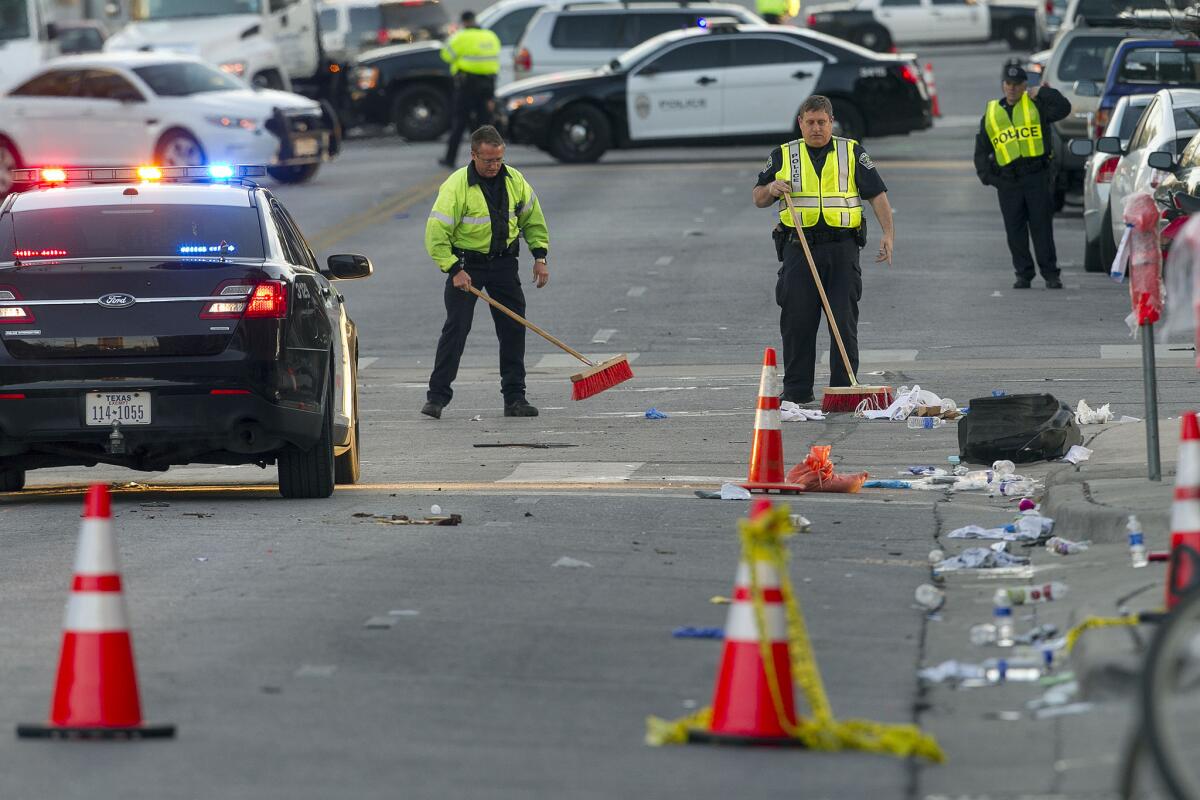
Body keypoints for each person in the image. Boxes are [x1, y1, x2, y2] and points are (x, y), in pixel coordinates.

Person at [752, 94, 894, 405]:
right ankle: (797, 390)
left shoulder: (851, 151)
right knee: (797, 321)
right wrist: (772, 189)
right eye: (810, 122)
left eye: (822, 122)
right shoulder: (783, 155)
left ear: (831, 123)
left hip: (842, 249)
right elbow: (758, 197)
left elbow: (877, 194)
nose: (816, 128)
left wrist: (888, 234)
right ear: (800, 123)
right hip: (798, 247)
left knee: (843, 321)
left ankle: (843, 389)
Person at [423, 125, 550, 419]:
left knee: (513, 328)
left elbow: (532, 219)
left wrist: (540, 256)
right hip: (467, 265)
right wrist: (454, 269)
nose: (494, 166)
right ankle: (437, 397)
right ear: (473, 156)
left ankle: (515, 398)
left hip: (505, 263)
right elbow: (436, 233)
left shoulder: (515, 180)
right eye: (488, 160)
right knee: (456, 329)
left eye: (498, 160)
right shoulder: (456, 186)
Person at [974, 62, 1071, 289]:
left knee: (1042, 228)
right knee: (1014, 230)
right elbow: (981, 150)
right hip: (1008, 181)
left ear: (1025, 85)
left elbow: (1064, 108)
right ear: (1003, 85)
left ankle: (1050, 274)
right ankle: (1023, 273)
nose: (1012, 89)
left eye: (1017, 84)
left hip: (1036, 176)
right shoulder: (992, 113)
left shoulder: (1036, 105)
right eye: (1008, 84)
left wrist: (1042, 91)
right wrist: (989, 177)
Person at [439, 11, 501, 168]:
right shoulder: (491, 36)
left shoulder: (460, 37)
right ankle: (487, 160)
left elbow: (446, 55)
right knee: (484, 125)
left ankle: (450, 159)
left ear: (464, 22)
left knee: (459, 122)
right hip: (488, 85)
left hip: (467, 85)